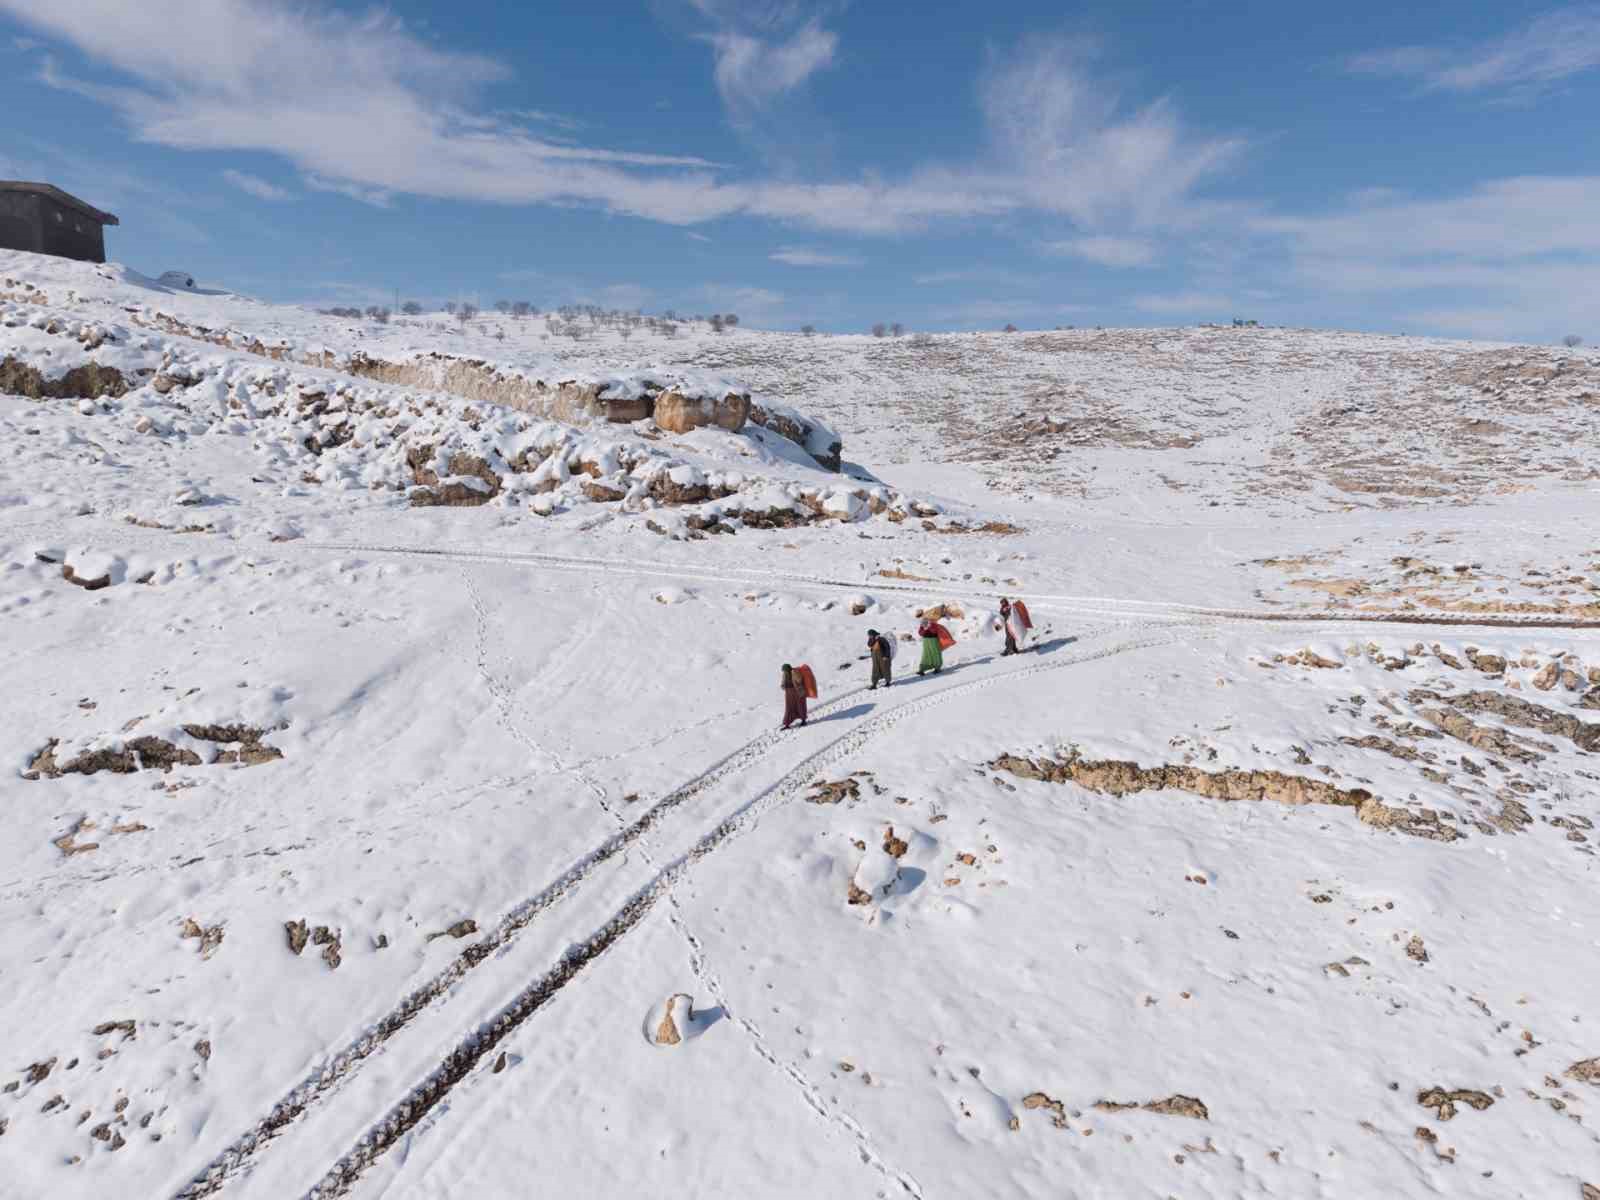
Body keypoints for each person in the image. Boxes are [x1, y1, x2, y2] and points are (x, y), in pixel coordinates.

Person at [780, 663, 808, 729]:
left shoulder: (795, 672)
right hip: (789, 693)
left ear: (788, 669)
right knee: (789, 708)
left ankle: (803, 720)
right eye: (783, 671)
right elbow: (783, 682)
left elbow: (799, 680)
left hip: (797, 692)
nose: (784, 672)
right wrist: (783, 686)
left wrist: (795, 676)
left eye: (785, 670)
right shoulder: (784, 674)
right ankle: (787, 724)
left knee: (800, 706)